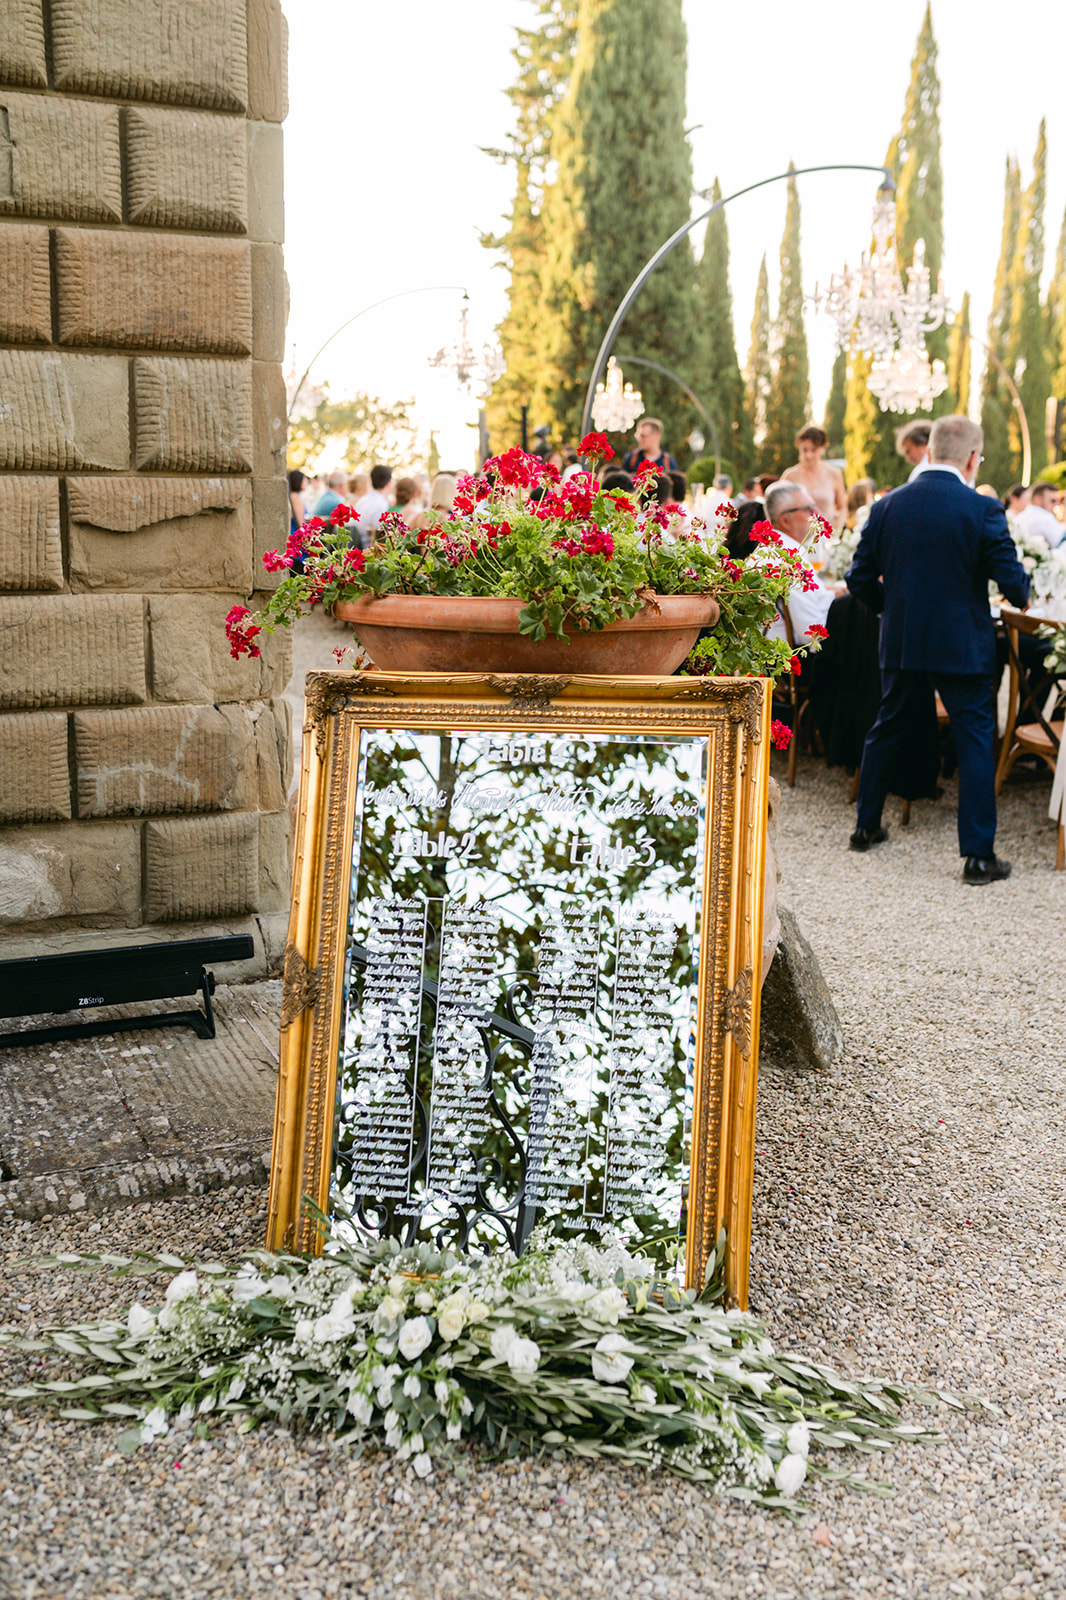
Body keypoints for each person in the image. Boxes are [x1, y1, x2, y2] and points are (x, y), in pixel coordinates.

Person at [846, 415, 1030, 883]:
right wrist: (1022, 588)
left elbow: (858, 579)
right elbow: (1013, 583)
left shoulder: (886, 508)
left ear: (928, 452)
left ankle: (865, 828)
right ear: (972, 458)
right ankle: (977, 857)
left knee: (886, 726)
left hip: (903, 638)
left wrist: (894, 609)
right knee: (974, 740)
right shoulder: (982, 510)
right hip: (960, 643)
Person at [762, 481, 841, 646]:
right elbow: (811, 632)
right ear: (785, 520)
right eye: (809, 509)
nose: (817, 512)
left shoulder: (778, 548)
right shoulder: (787, 558)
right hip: (791, 661)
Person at [780, 425, 847, 532]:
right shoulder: (790, 476)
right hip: (798, 539)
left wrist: (838, 530)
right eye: (805, 450)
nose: (808, 455)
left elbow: (842, 507)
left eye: (813, 450)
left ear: (823, 448)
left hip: (826, 539)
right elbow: (779, 509)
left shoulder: (834, 474)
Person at [1015, 481, 1064, 549]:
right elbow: (1059, 544)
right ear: (1037, 499)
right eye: (1053, 501)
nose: (1056, 505)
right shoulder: (1046, 517)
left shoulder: (1019, 517)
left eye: (1058, 501)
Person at [354, 465, 393, 542]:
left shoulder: (362, 500)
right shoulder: (381, 504)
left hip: (358, 544)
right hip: (370, 548)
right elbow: (382, 534)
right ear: (389, 483)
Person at [287, 468, 308, 533]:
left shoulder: (291, 495)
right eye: (304, 479)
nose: (306, 481)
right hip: (295, 533)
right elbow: (300, 522)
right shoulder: (295, 497)